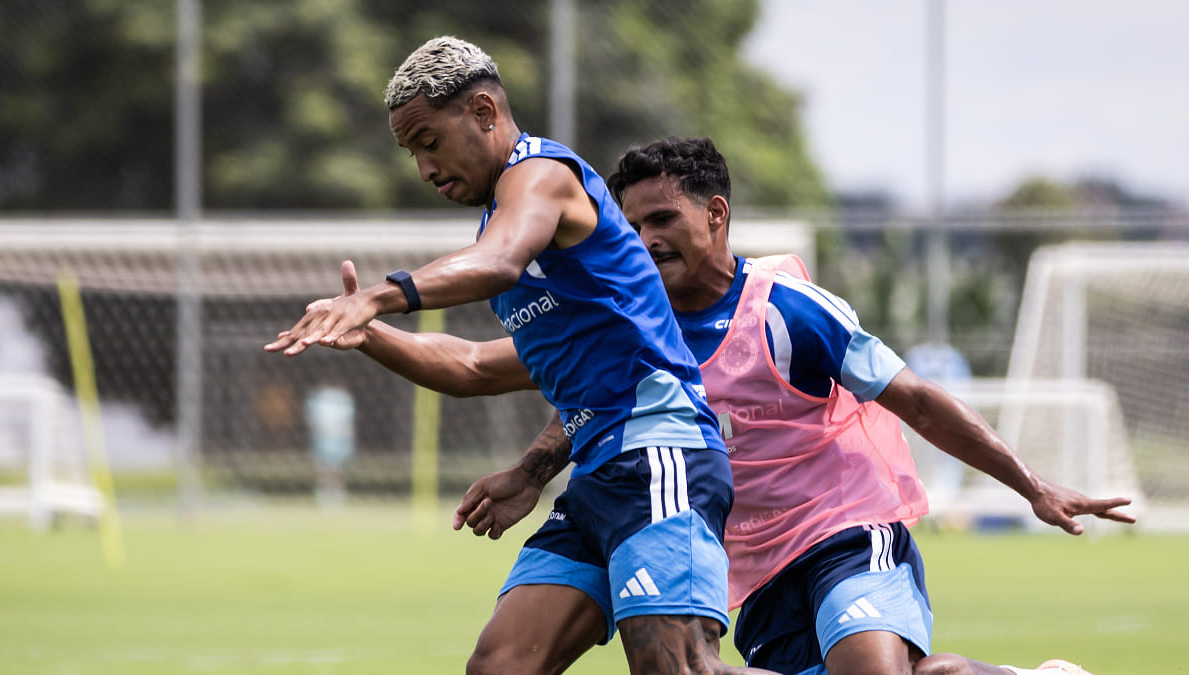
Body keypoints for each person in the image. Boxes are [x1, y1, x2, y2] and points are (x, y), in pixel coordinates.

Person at [341, 137, 1133, 675]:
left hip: (842, 533)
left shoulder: (788, 309)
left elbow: (919, 400)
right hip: (746, 563)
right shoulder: (624, 321)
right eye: (634, 224)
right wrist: (529, 465)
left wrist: (1033, 485)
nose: (647, 241)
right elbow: (500, 370)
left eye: (665, 220)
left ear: (716, 216)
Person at [265, 38, 774, 675]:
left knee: (680, 670)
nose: (424, 168)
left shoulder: (542, 178)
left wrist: (380, 297)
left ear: (483, 111)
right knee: (500, 666)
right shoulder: (509, 227)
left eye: (428, 141)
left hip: (658, 459)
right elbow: (477, 366)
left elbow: (498, 263)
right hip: (597, 477)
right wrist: (368, 335)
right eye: (411, 152)